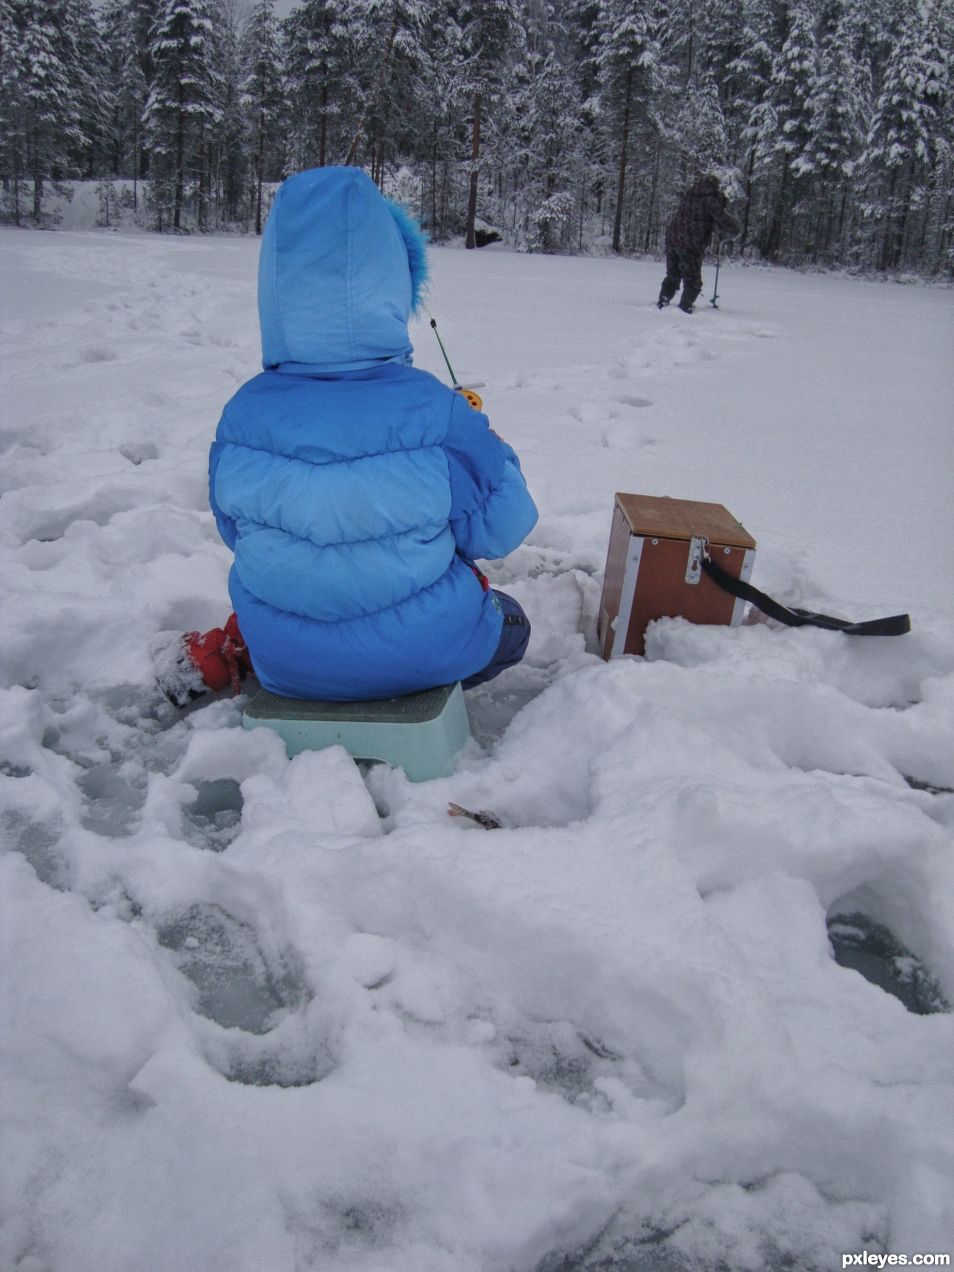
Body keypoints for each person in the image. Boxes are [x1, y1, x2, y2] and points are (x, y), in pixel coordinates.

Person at [153, 166, 538, 707]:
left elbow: (237, 533)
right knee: (512, 623)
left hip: (286, 665)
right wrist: (494, 449)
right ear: (394, 284)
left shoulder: (242, 413)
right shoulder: (437, 410)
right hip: (423, 654)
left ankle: (252, 652)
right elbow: (501, 529)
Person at [657, 174, 740, 313]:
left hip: (672, 239)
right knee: (692, 279)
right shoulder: (710, 200)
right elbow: (723, 219)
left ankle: (663, 301)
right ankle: (684, 307)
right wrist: (736, 229)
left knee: (673, 274)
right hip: (690, 243)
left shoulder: (689, 195)